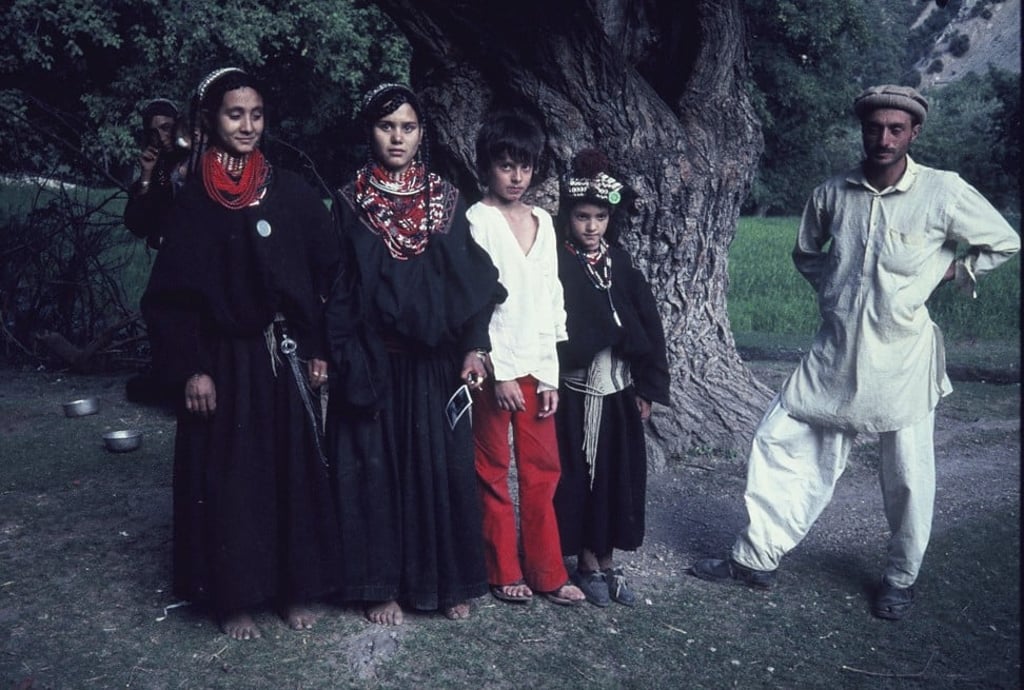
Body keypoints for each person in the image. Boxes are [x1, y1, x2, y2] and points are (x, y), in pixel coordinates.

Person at [689, 84, 1020, 620]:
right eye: (874, 127)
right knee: (781, 439)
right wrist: (837, 296)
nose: (883, 138)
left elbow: (1004, 240)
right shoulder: (831, 193)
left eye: (896, 129)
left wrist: (957, 271)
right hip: (835, 350)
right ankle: (756, 557)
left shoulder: (943, 191)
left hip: (903, 355)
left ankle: (899, 578)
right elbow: (807, 252)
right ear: (862, 129)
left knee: (909, 475)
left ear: (914, 133)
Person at [141, 67, 343, 640]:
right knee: (230, 477)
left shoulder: (290, 191)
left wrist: (318, 347)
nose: (248, 126)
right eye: (235, 115)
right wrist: (192, 368)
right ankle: (231, 597)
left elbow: (328, 274)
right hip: (222, 362)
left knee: (288, 472)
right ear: (210, 120)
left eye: (256, 115)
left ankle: (289, 589)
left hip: (283, 358)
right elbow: (170, 298)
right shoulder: (196, 199)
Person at [325, 83, 506, 625]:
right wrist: (333, 356)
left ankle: (447, 582)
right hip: (373, 357)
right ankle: (380, 586)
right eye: (386, 127)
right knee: (375, 473)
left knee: (441, 471)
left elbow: (472, 282)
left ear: (421, 133)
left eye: (407, 127)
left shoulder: (446, 199)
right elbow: (338, 286)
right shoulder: (350, 201)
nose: (397, 137)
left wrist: (474, 347)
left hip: (435, 362)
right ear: (369, 133)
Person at [467, 109, 585, 606]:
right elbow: (481, 302)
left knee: (542, 471)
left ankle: (547, 571)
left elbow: (551, 300)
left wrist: (551, 375)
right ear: (487, 167)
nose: (516, 177)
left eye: (525, 166)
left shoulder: (543, 221)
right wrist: (502, 373)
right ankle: (501, 569)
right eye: (505, 165)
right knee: (493, 469)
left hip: (539, 366)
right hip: (496, 369)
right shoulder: (478, 219)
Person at [552, 149, 670, 607]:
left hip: (619, 392)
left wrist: (647, 387)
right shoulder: (561, 265)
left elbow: (649, 324)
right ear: (570, 216)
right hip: (578, 393)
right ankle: (584, 560)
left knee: (617, 475)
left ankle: (608, 560)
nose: (591, 226)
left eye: (600, 216)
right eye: (582, 216)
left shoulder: (618, 264)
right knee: (583, 473)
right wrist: (605, 327)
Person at [123, 98, 189, 249]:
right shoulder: (156, 170)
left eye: (166, 128)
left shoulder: (196, 161)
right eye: (154, 132)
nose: (161, 137)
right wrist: (146, 175)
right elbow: (137, 226)